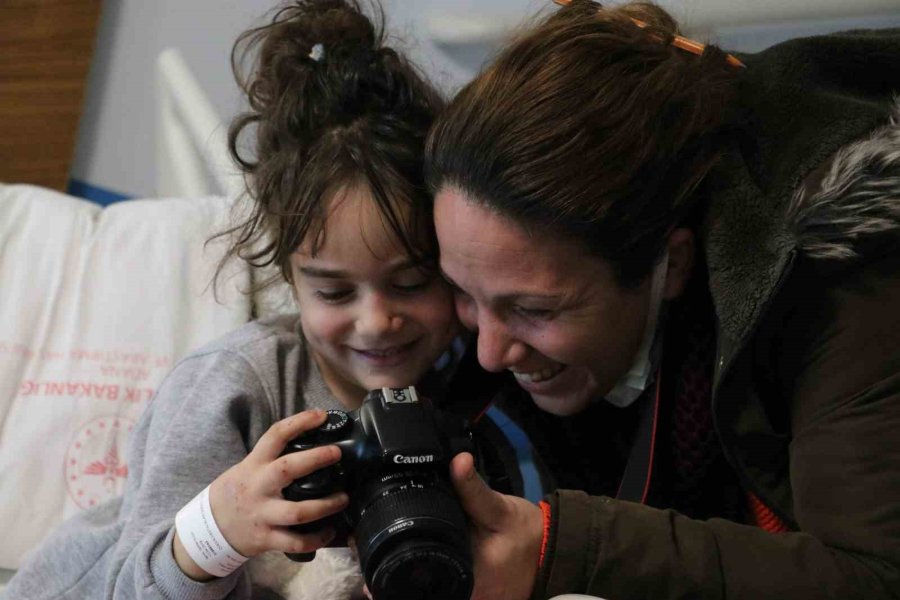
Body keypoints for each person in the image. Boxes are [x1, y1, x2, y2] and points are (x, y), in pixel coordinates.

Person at [426, 1, 900, 599]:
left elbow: (877, 578)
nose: (490, 353)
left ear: (670, 264)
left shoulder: (845, 280)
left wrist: (564, 546)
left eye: (536, 310)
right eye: (464, 294)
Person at [2, 1, 459, 599]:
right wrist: (215, 532)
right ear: (288, 275)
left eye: (410, 283)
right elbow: (131, 588)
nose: (376, 322)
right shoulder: (233, 388)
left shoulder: (471, 377)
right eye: (333, 290)